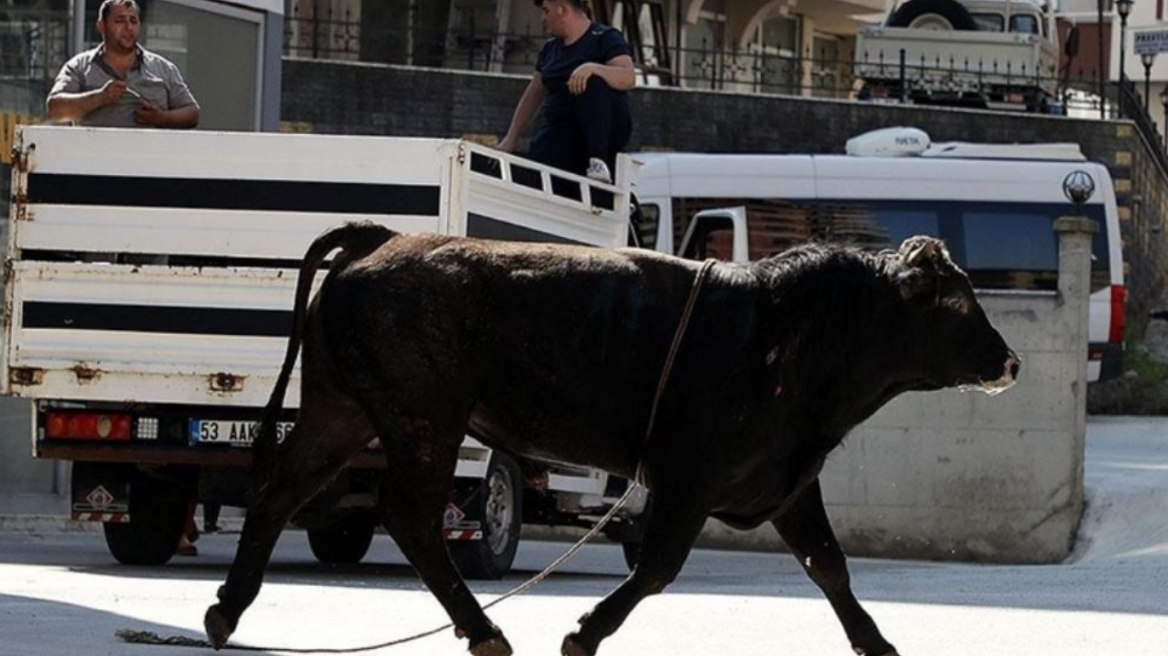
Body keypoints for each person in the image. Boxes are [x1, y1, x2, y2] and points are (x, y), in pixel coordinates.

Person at [498, 0, 634, 183]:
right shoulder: (550, 49)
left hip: (594, 131)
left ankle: (598, 161)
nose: (543, 18)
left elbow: (628, 77)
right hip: (558, 134)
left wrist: (593, 68)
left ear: (562, 9)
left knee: (591, 81)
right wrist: (510, 138)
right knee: (530, 176)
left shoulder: (605, 37)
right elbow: (534, 93)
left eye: (546, 11)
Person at [46, 0, 199, 129]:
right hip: (94, 162)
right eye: (120, 20)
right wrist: (99, 97)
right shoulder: (79, 66)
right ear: (102, 26)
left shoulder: (163, 69)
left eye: (133, 21)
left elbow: (192, 113)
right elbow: (55, 109)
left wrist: (160, 117)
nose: (128, 28)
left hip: (151, 161)